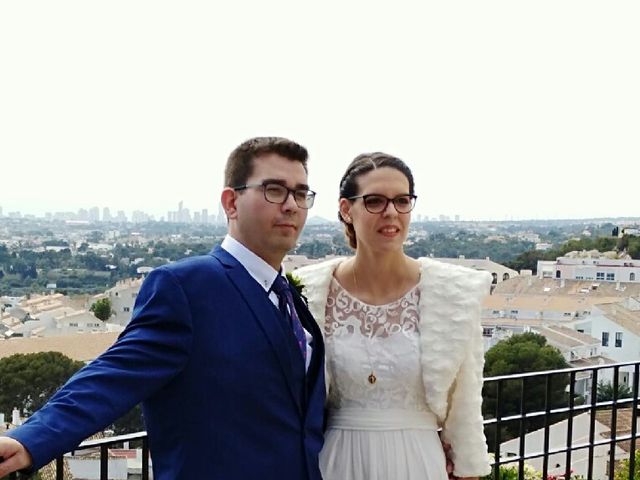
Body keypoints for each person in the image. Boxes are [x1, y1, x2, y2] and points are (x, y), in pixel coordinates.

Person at [0, 137, 326, 480]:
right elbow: (113, 375)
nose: (291, 205)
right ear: (231, 202)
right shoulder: (188, 286)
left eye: (301, 193)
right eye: (274, 189)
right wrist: (29, 440)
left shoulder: (289, 298)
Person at [295, 152, 492, 480]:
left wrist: (467, 467)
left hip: (419, 463)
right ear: (347, 209)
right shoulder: (311, 291)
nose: (391, 213)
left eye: (402, 201)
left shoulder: (452, 294)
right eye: (375, 201)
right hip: (335, 463)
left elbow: (465, 404)